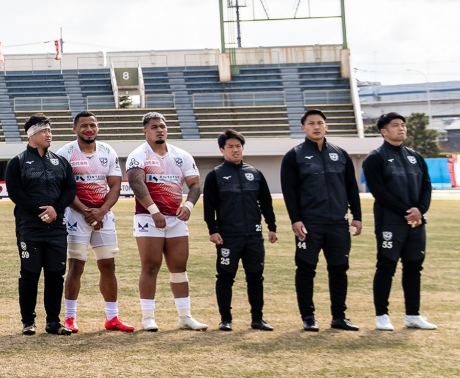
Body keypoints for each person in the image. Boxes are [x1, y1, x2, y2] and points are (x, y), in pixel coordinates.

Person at [278, 108, 362, 332]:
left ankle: (339, 317)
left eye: (320, 123)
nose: (316, 127)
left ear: (326, 126)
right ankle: (308, 317)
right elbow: (289, 192)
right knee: (306, 269)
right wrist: (296, 219)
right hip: (309, 224)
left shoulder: (340, 154)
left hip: (338, 224)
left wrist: (357, 216)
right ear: (303, 128)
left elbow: (351, 187)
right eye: (311, 123)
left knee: (339, 269)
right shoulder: (294, 155)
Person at [126, 113, 206, 332]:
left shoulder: (182, 155)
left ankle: (185, 316)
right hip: (147, 218)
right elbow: (136, 183)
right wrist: (154, 211)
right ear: (145, 131)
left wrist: (188, 206)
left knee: (179, 267)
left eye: (162, 126)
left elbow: (195, 184)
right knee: (151, 266)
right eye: (154, 127)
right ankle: (148, 317)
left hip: (175, 218)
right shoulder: (138, 155)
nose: (159, 130)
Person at [4, 115, 76, 336]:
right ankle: (28, 321)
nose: (49, 134)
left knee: (56, 274)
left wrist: (56, 209)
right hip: (29, 227)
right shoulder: (17, 162)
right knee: (30, 274)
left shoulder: (60, 162)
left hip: (56, 227)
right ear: (32, 135)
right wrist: (40, 211)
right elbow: (16, 193)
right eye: (44, 131)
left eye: (49, 130)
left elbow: (70, 189)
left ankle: (53, 322)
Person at [364, 111, 436, 331]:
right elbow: (380, 192)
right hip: (390, 222)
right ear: (384, 131)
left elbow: (426, 186)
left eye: (403, 125)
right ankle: (382, 315)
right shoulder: (375, 158)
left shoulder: (415, 157)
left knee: (414, 267)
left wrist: (420, 210)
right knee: (386, 266)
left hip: (416, 222)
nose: (401, 128)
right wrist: (406, 211)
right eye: (396, 125)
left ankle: (413, 315)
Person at [61, 111, 131, 333]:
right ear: (75, 128)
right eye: (84, 125)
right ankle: (70, 318)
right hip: (75, 216)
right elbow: (64, 189)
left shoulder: (108, 151)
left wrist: (101, 212)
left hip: (103, 216)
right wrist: (87, 212)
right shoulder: (65, 153)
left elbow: (115, 186)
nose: (89, 129)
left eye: (92, 125)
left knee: (108, 265)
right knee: (76, 265)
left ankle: (112, 318)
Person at [202, 129, 276, 331]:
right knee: (225, 277)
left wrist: (272, 226)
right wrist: (213, 230)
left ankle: (258, 319)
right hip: (228, 237)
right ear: (222, 150)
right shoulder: (215, 175)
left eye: (238, 146)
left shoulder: (255, 173)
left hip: (254, 236)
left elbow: (266, 203)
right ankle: (225, 319)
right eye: (230, 147)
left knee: (256, 277)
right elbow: (209, 207)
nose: (235, 150)